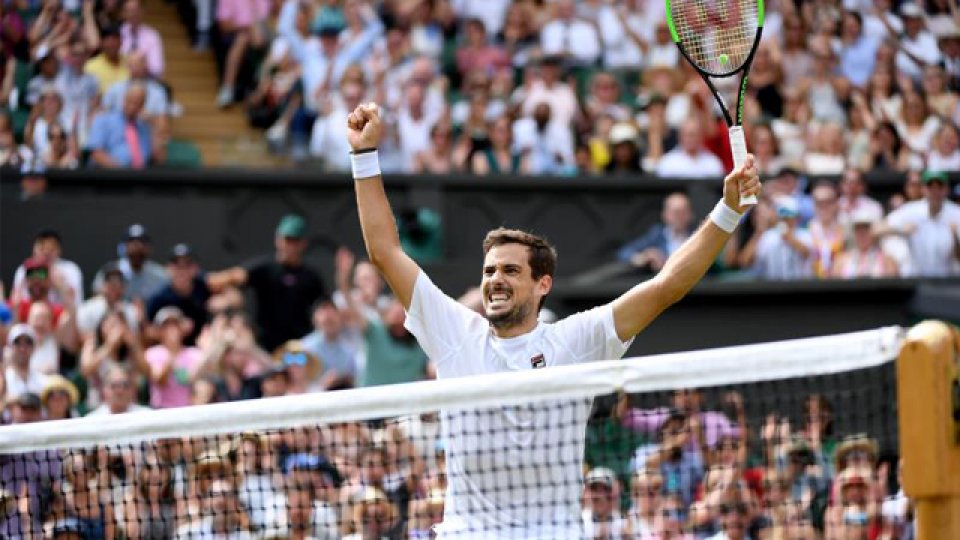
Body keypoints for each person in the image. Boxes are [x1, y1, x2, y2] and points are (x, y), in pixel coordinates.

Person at [343, 102, 761, 537]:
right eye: (489, 271)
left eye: (510, 271)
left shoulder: (576, 340)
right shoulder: (455, 332)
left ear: (543, 284)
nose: (495, 281)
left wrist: (728, 212)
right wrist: (364, 155)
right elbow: (385, 252)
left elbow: (665, 286)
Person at [207, 215, 327, 352]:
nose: (290, 246)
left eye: (295, 241)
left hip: (298, 348)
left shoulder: (311, 276)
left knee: (295, 371)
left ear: (303, 243)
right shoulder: (265, 268)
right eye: (287, 240)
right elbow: (230, 278)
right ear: (278, 240)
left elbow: (324, 307)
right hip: (265, 347)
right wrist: (228, 293)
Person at [881, 170, 960, 276]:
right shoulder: (911, 210)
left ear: (946, 189)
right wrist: (900, 228)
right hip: (916, 280)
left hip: (946, 281)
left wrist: (955, 237)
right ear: (923, 189)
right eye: (930, 187)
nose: (935, 191)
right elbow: (877, 228)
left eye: (939, 187)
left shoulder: (956, 213)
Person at [617, 193, 695, 273]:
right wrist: (644, 257)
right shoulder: (656, 235)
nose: (680, 217)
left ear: (691, 214)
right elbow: (624, 253)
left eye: (684, 212)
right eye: (676, 213)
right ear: (665, 214)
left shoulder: (696, 237)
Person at [91, 223, 168, 302]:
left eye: (142, 242)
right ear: (123, 247)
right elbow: (96, 301)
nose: (137, 246)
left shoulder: (159, 274)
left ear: (149, 248)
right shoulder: (109, 271)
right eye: (132, 242)